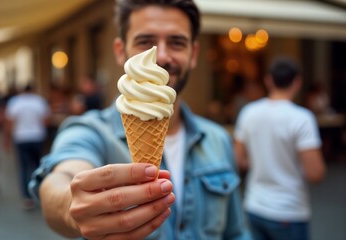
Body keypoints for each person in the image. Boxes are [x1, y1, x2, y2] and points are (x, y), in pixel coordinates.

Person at [30, 0, 251, 239]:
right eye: (145, 41)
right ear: (120, 51)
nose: (162, 56)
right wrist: (70, 207)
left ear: (193, 54)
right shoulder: (91, 131)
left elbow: (236, 232)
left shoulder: (218, 139)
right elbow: (61, 178)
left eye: (177, 43)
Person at [234, 57, 326, 240]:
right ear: (297, 82)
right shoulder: (302, 118)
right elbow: (315, 173)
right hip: (289, 210)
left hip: (254, 205)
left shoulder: (248, 112)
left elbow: (239, 160)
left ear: (268, 80)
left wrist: (262, 159)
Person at [5, 84, 50, 210]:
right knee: (38, 167)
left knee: (24, 167)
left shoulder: (16, 102)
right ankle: (40, 193)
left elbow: (9, 121)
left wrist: (7, 139)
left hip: (21, 138)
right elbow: (46, 120)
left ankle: (27, 197)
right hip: (37, 137)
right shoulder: (39, 101)